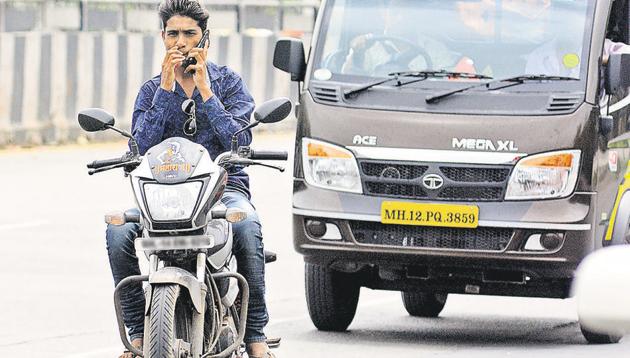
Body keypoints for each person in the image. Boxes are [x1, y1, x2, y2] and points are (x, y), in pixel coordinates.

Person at [105, 1, 275, 357]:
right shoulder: (152, 90)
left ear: (205, 37)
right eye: (173, 34)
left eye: (189, 34)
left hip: (222, 194)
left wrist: (206, 90)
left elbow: (239, 141)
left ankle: (256, 336)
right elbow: (139, 147)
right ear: (162, 38)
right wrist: (168, 90)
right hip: (162, 199)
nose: (180, 42)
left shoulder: (227, 83)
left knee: (247, 227)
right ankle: (138, 335)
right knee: (118, 229)